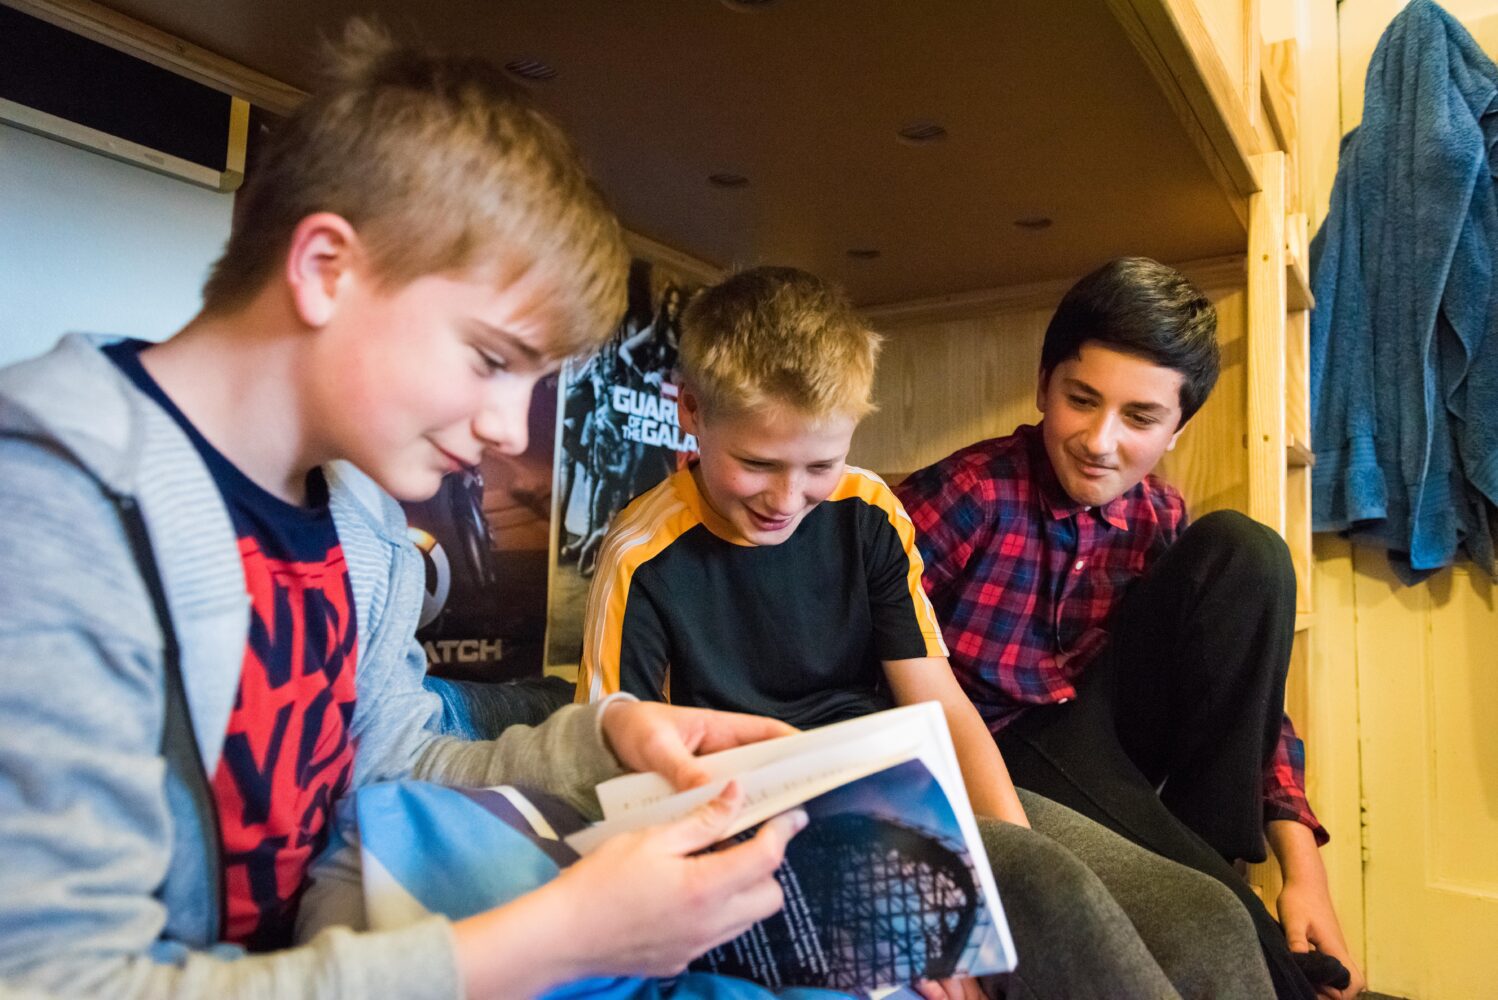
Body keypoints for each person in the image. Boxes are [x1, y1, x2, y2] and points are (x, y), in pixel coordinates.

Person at [0, 24, 808, 999]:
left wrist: (609, 742)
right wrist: (552, 940)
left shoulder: (361, 522)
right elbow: (53, 979)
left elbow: (389, 764)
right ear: (325, 268)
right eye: (491, 359)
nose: (508, 428)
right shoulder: (51, 506)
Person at [576, 266, 1276, 1000]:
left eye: (820, 465)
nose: (787, 498)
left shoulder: (870, 510)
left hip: (898, 789)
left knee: (1205, 916)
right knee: (1054, 900)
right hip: (761, 819)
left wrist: (1005, 878)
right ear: (691, 410)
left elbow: (939, 703)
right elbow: (620, 777)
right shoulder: (642, 557)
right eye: (756, 464)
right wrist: (913, 917)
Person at [895, 257, 1366, 1000]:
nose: (1099, 440)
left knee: (1247, 552)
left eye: (1140, 418)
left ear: (1177, 428)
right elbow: (854, 648)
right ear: (1044, 387)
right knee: (1217, 914)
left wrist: (1304, 871)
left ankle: (1206, 851)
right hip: (996, 746)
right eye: (1081, 400)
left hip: (1097, 736)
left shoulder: (1158, 514)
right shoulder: (972, 491)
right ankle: (1228, 904)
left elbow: (1248, 699)